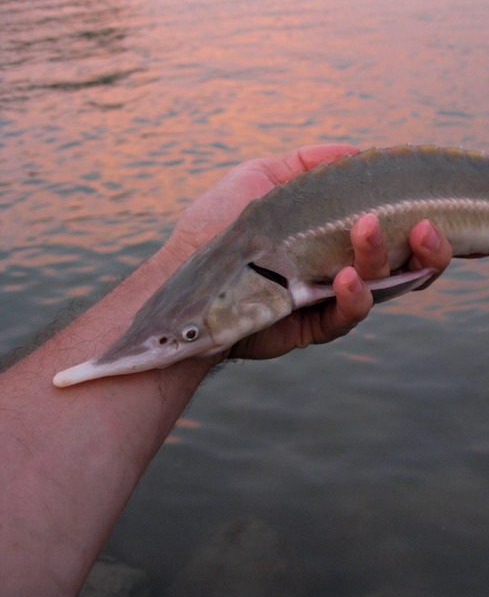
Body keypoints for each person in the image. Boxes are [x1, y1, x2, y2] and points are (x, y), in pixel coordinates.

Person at [0, 144, 453, 595]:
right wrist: (181, 272)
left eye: (190, 335)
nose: (188, 340)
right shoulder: (244, 252)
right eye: (191, 336)